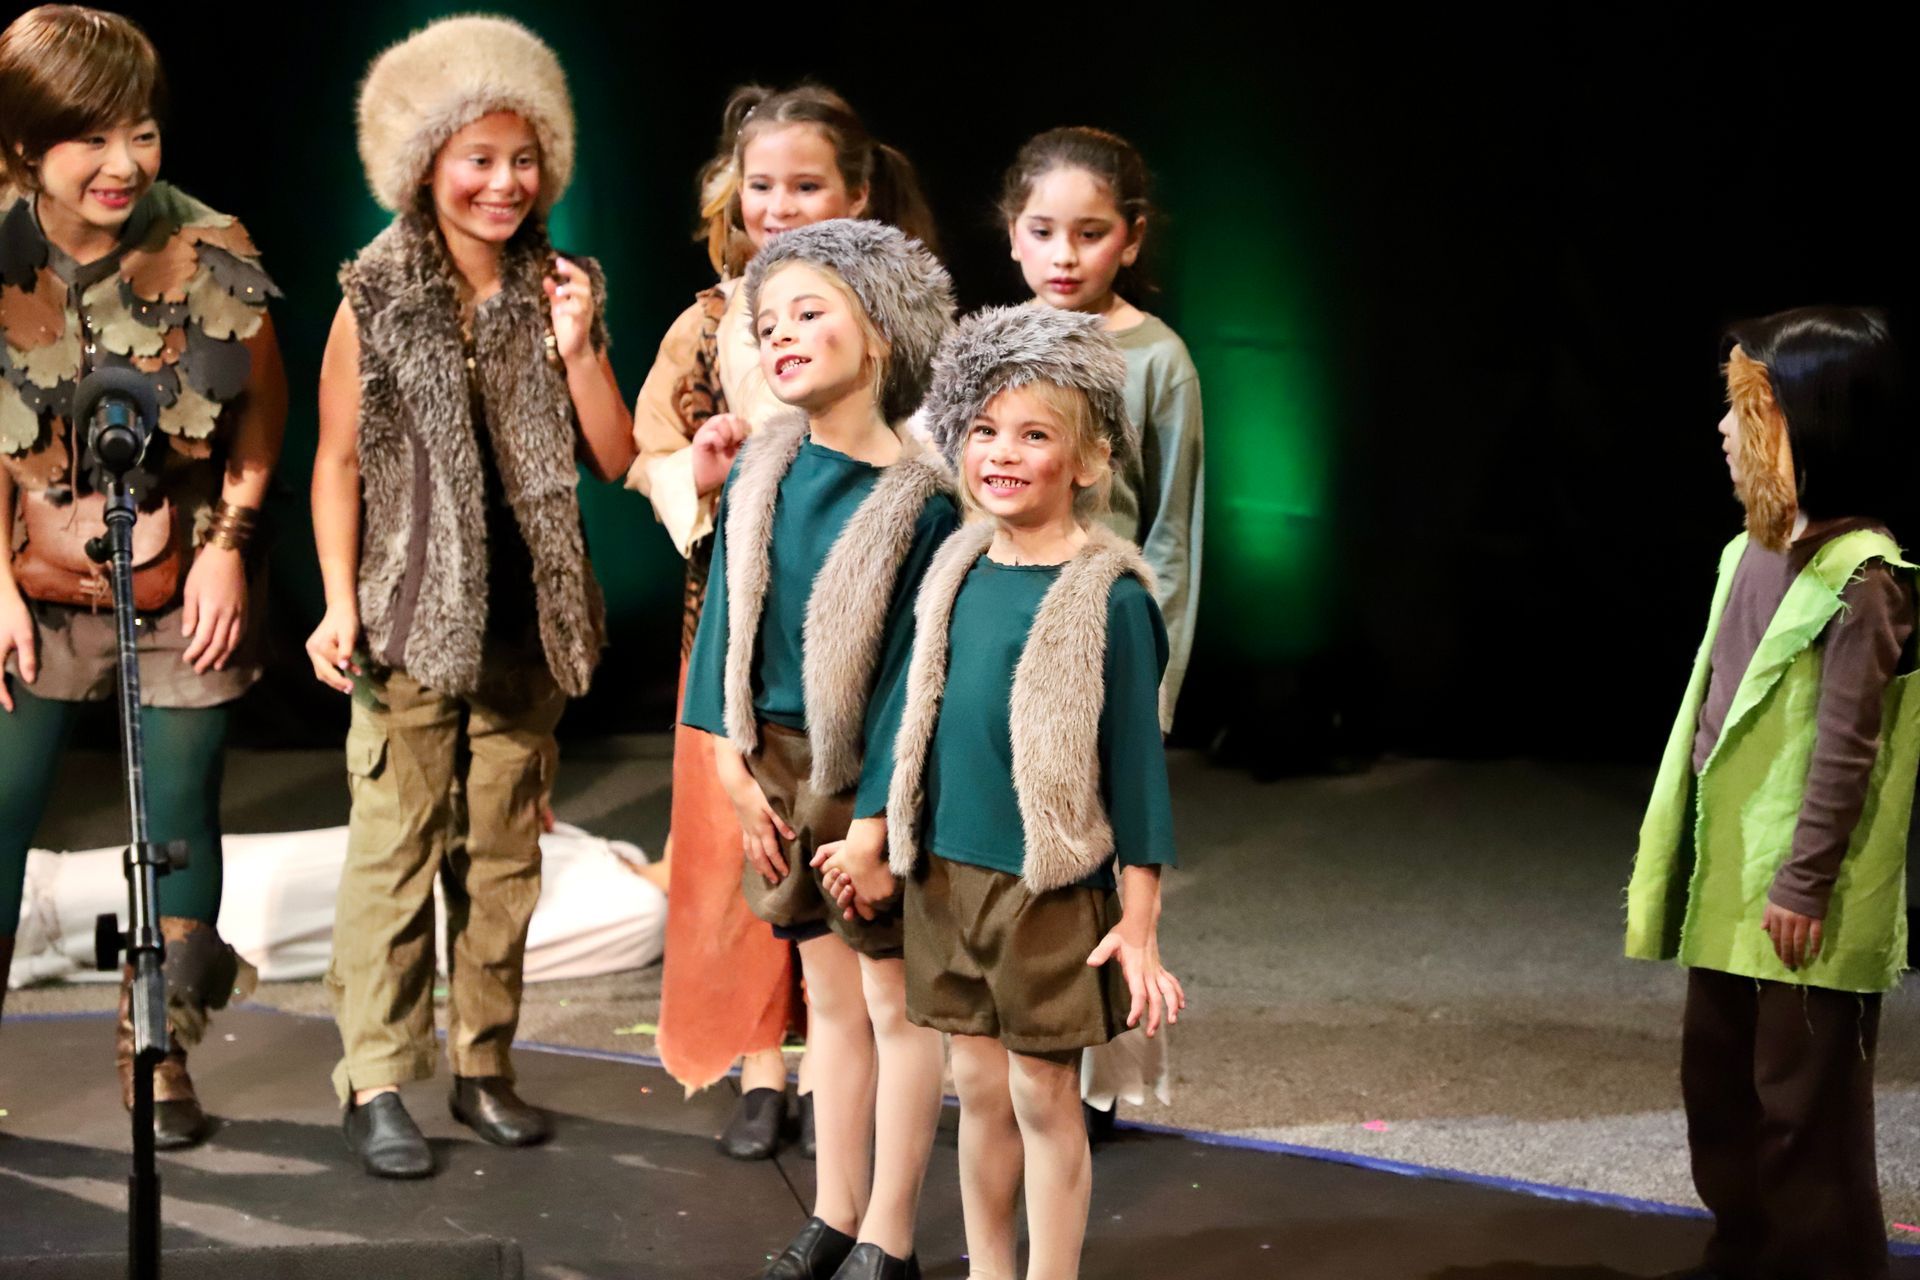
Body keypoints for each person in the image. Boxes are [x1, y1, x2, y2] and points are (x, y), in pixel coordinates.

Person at [304, 14, 635, 1180]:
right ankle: (377, 1077)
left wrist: (581, 343)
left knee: (500, 865)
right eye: (478, 157)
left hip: (527, 631)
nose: (504, 182)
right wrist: (338, 601)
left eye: (523, 156)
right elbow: (337, 459)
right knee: (394, 855)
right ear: (425, 163)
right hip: (407, 625)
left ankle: (484, 1063)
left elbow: (613, 453)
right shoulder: (376, 294)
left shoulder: (558, 285)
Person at [629, 83, 936, 1159]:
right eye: (763, 186)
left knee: (861, 890)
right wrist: (696, 473)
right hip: (746, 637)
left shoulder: (898, 330)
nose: (781, 205)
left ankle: (866, 1129)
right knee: (753, 860)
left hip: (864, 663)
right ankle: (763, 1063)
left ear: (857, 191)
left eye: (806, 185)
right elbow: (647, 449)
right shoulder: (713, 320)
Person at [0, 3, 286, 1150]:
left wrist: (227, 547)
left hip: (178, 560)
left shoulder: (208, 242)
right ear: (24, 142)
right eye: (91, 141)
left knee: (173, 814)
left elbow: (261, 410)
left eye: (145, 135)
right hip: (29, 567)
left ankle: (154, 1041)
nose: (126, 165)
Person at [863, 305, 1186, 1280]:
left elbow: (1138, 769)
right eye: (985, 431)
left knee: (1047, 1095)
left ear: (1087, 462)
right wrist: (875, 832)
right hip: (948, 875)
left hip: (1045, 892)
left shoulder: (1111, 595)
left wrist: (1140, 921)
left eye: (1034, 435)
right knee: (977, 1084)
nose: (1001, 453)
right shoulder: (955, 566)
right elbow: (908, 710)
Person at [681, 218, 957, 1280]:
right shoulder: (767, 465)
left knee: (892, 1004)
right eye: (768, 323)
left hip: (870, 782)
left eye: (810, 313)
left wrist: (880, 825)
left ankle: (892, 1232)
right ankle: (834, 1213)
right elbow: (729, 620)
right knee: (828, 1005)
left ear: (879, 333)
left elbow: (915, 676)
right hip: (780, 767)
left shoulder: (924, 499)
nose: (782, 335)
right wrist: (730, 762)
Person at [1625, 306, 1918, 1280]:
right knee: (1722, 1087)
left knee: (1804, 1108)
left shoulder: (1862, 578)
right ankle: (1742, 1249)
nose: (1720, 429)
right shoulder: (1744, 552)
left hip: (1798, 902)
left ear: (1807, 426)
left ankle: (1818, 1262)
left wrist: (1804, 879)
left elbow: (1846, 747)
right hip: (1728, 882)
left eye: (1744, 410)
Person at [999, 126, 1203, 1134]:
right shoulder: (997, 345)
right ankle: (1011, 1045)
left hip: (1103, 638)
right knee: (1010, 850)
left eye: (1090, 231)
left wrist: (1150, 683)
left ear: (1130, 236)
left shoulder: (1157, 358)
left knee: (1100, 855)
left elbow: (1170, 531)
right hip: (1005, 635)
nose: (1065, 253)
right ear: (1013, 235)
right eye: (1044, 230)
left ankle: (1099, 1078)